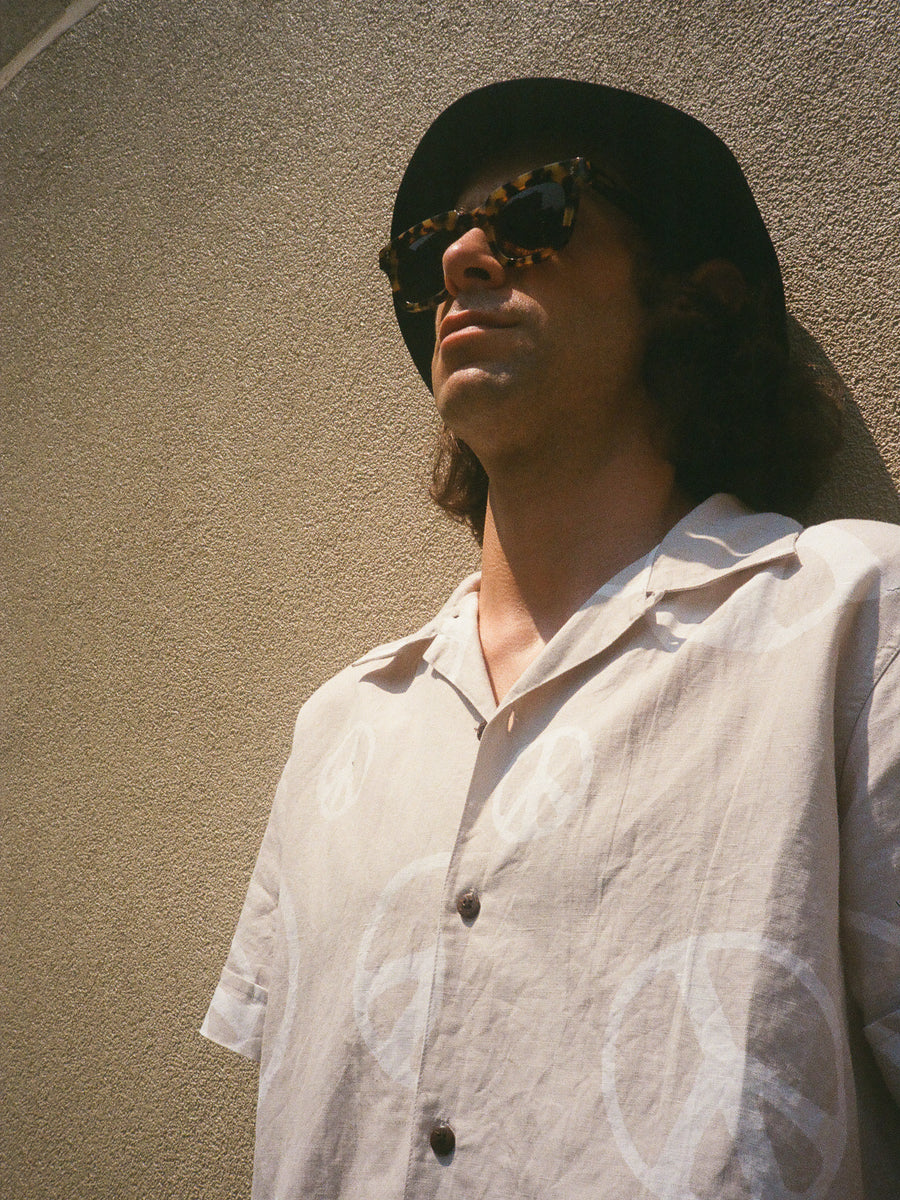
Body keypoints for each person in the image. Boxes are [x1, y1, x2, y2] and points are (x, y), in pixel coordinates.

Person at [202, 78, 900, 1198]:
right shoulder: (341, 726)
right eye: (427, 245)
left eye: (535, 212)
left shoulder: (855, 618)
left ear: (694, 297)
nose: (461, 261)